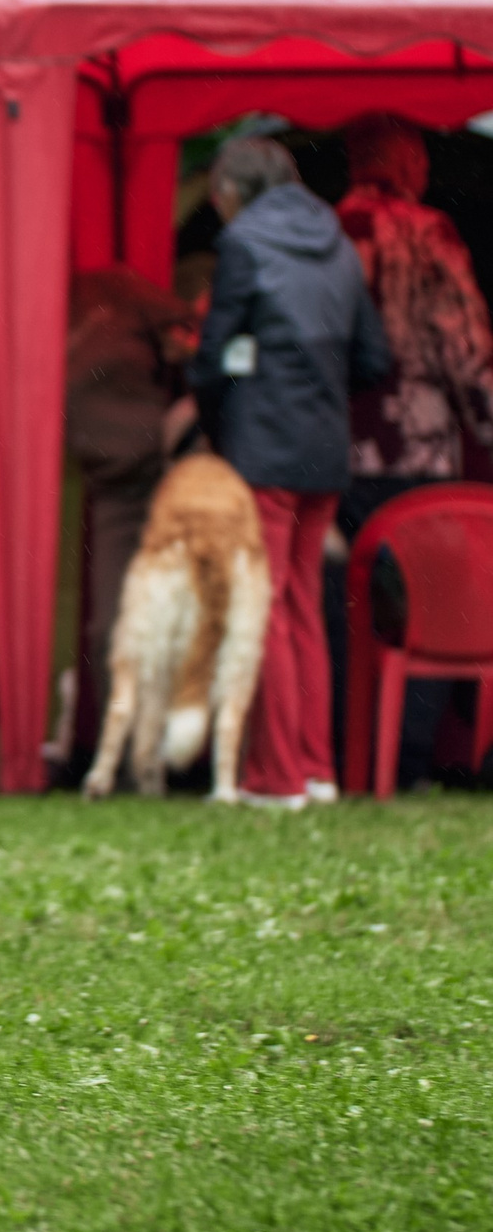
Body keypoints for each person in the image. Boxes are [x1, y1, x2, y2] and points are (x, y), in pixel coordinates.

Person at [190, 134, 390, 810]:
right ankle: (315, 769)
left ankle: (275, 779)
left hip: (263, 447)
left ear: (229, 194)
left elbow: (213, 354)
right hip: (325, 448)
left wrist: (221, 427)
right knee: (304, 603)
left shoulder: (243, 242)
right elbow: (372, 357)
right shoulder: (337, 243)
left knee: (264, 605)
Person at [65, 266, 200, 754]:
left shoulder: (111, 289)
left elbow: (197, 330)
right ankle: (122, 758)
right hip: (111, 485)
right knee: (111, 627)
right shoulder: (20, 315)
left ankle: (190, 753)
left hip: (170, 471)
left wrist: (187, 390)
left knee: (188, 617)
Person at [336, 115, 493, 521]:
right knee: (417, 578)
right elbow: (466, 350)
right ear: (409, 163)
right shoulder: (428, 232)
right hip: (416, 456)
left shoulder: (322, 232)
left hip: (333, 458)